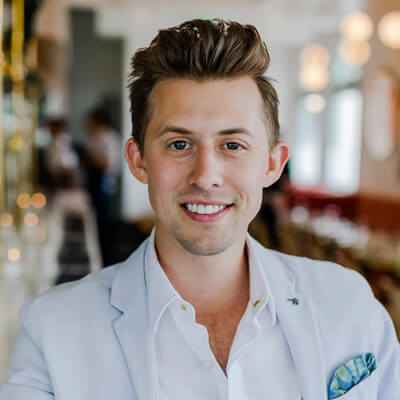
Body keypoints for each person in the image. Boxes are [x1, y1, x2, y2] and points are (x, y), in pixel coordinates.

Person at [1, 19, 399, 400]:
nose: (207, 176)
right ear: (138, 160)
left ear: (272, 165)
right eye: (179, 144)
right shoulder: (52, 331)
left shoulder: (349, 302)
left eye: (233, 145)